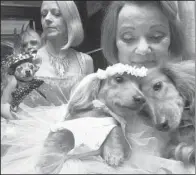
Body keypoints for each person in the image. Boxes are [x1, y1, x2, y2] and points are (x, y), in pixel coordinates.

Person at [1, 0, 94, 166]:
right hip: (36, 146)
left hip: (78, 142)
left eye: (56, 14)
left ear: (70, 19)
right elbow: (5, 104)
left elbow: (92, 105)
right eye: (44, 14)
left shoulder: (86, 61)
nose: (48, 19)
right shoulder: (27, 62)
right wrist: (20, 120)